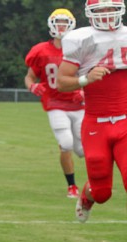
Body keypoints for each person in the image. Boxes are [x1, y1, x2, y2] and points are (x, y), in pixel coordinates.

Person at [57, 0, 127, 222]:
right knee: (102, 192)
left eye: (110, 9)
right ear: (90, 13)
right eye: (100, 10)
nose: (106, 14)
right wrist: (86, 78)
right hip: (96, 122)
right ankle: (87, 199)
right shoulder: (81, 39)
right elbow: (61, 83)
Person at [24, 8, 85, 199]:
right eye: (58, 23)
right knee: (65, 143)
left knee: (83, 150)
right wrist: (33, 87)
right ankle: (72, 186)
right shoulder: (41, 50)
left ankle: (96, 182)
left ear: (71, 26)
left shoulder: (79, 48)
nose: (61, 27)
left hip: (78, 103)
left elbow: (89, 75)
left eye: (64, 23)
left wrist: (84, 91)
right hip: (55, 103)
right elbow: (30, 77)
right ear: (51, 25)